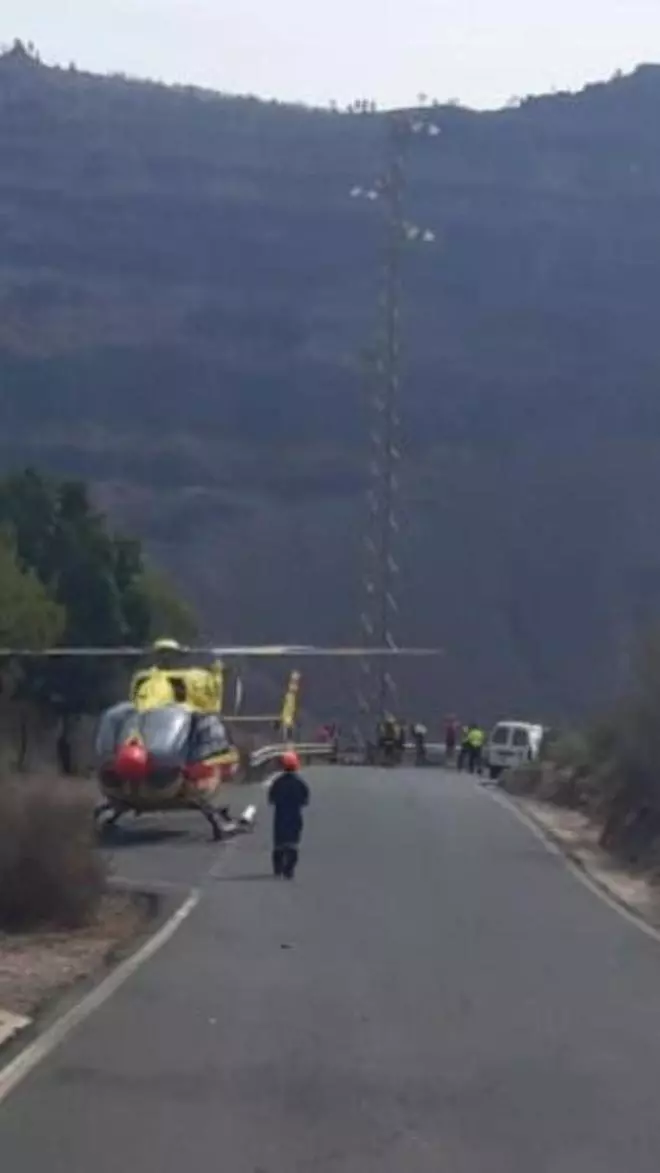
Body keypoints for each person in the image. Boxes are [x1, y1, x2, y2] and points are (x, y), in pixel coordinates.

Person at [268, 751, 310, 879]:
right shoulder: (300, 784)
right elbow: (305, 801)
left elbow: (271, 799)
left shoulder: (277, 782)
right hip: (295, 816)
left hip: (280, 816)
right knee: (293, 844)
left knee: (279, 844)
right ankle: (289, 869)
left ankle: (278, 868)